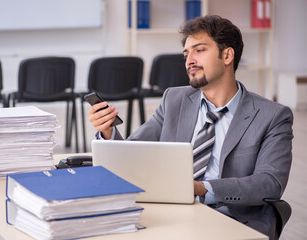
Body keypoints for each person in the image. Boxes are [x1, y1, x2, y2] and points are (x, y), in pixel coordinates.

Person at [88, 15, 293, 239]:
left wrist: (204, 189)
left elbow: (270, 183)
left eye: (199, 50)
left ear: (227, 55)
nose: (189, 60)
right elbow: (132, 154)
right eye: (186, 54)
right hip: (171, 213)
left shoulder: (272, 116)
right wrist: (108, 131)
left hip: (231, 219)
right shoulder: (174, 99)